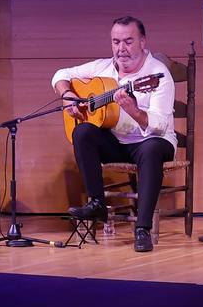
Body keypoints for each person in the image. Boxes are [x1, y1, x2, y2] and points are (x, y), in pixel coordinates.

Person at [53, 16, 176, 252]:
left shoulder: (158, 75)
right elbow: (60, 74)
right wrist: (67, 95)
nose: (121, 49)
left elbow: (159, 126)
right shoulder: (103, 67)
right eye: (116, 41)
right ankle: (97, 203)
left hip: (151, 141)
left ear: (143, 42)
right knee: (83, 131)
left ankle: (142, 229)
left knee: (151, 149)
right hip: (118, 142)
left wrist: (134, 111)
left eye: (128, 41)